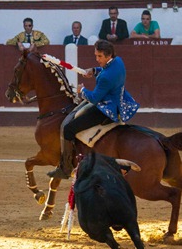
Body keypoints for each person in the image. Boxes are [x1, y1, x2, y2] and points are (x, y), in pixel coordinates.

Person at [47, 40, 139, 179]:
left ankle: (65, 168)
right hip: (118, 101)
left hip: (106, 109)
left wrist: (82, 90)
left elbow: (94, 98)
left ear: (108, 56)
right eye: (96, 55)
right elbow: (106, 70)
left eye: (100, 56)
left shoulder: (106, 78)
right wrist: (95, 70)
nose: (97, 59)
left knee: (68, 129)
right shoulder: (118, 61)